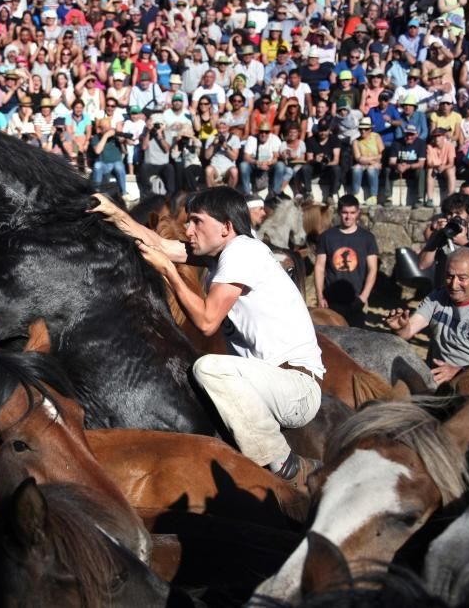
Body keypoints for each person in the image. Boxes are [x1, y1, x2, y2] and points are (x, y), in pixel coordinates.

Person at [89, 188, 324, 491]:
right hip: (268, 384)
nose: (188, 230)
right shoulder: (224, 254)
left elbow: (207, 322)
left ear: (226, 228)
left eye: (197, 222)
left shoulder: (242, 251)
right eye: (188, 222)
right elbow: (158, 243)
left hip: (295, 387)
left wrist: (169, 272)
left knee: (209, 368)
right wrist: (115, 213)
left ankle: (285, 464)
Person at [386, 247, 469, 385]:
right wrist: (400, 328)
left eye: (462, 278)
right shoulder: (438, 297)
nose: (453, 284)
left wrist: (459, 372)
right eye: (449, 276)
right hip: (433, 382)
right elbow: (408, 331)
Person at [314, 194, 379, 327]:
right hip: (331, 301)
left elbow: (373, 269)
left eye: (352, 213)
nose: (348, 217)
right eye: (344, 212)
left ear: (358, 213)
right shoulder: (326, 237)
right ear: (338, 212)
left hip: (356, 300)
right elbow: (319, 268)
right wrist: (320, 296)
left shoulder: (367, 238)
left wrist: (363, 297)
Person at [418, 193, 469, 286]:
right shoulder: (441, 234)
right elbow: (423, 265)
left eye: (458, 213)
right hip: (444, 292)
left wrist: (466, 244)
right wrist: (436, 236)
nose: (454, 217)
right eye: (450, 214)